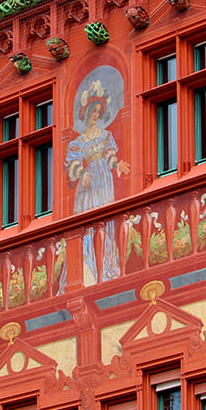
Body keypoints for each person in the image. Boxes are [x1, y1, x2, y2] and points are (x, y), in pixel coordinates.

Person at [65, 84, 129, 283]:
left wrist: (117, 165)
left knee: (106, 216)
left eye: (98, 112)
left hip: (104, 178)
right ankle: (89, 262)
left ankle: (106, 262)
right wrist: (81, 173)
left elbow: (110, 155)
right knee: (90, 217)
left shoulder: (105, 135)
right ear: (86, 113)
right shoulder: (77, 142)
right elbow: (72, 165)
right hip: (90, 177)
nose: (96, 114)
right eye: (93, 111)